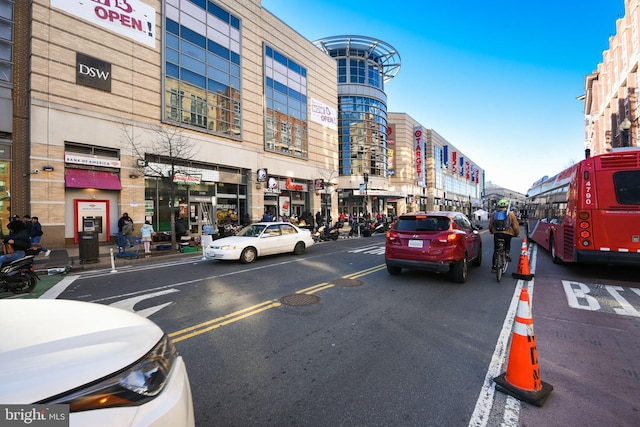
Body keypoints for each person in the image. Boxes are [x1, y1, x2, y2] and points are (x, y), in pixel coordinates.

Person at [489, 199, 520, 273]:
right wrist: (516, 234)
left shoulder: (494, 214)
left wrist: (491, 231)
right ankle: (507, 252)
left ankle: (494, 267)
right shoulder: (511, 214)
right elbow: (515, 226)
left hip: (497, 233)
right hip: (507, 233)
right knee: (507, 243)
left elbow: (490, 225)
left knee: (496, 250)